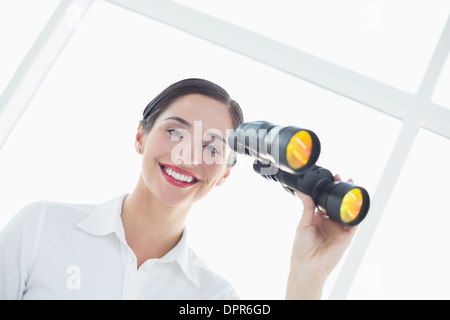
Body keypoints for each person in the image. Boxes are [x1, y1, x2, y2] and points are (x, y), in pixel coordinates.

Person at [0, 78, 357, 299]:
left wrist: (308, 276)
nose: (187, 156)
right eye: (175, 132)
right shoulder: (42, 228)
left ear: (223, 176)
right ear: (140, 136)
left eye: (213, 147)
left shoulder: (213, 295)